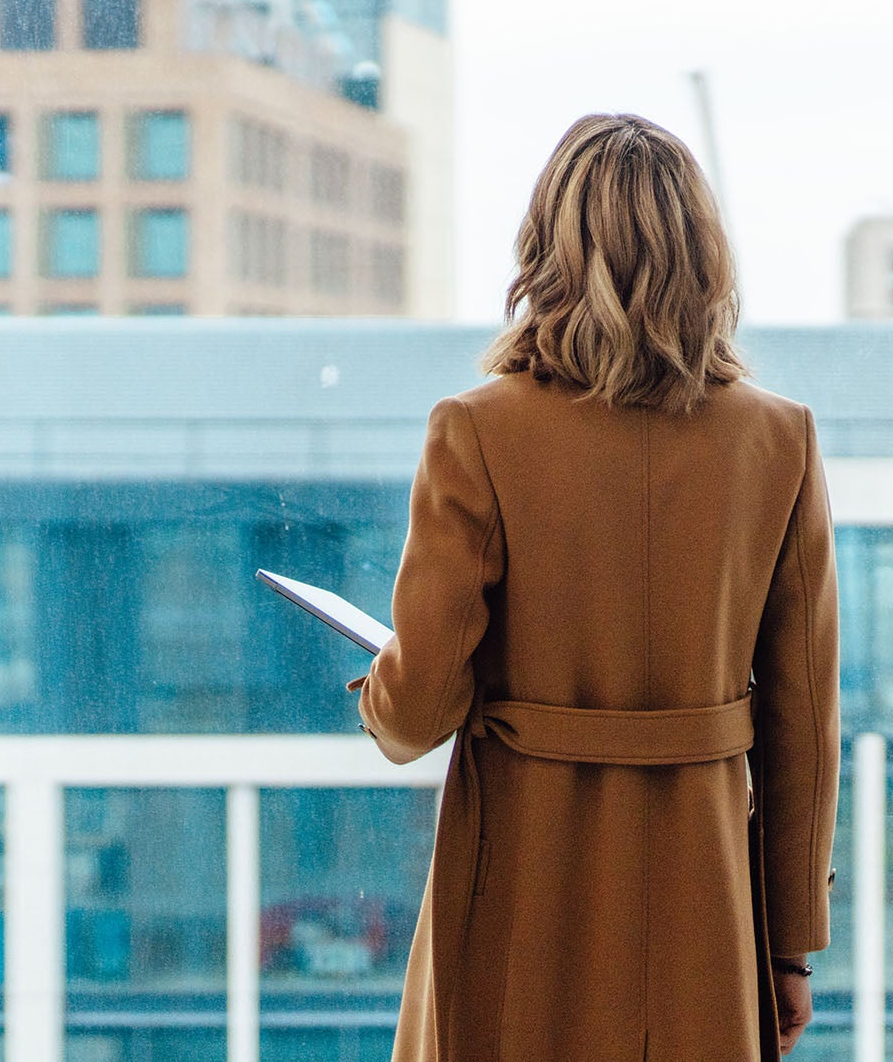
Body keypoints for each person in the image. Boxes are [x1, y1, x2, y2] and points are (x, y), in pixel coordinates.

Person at [352, 112, 840, 1060]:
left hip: (522, 885)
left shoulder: (476, 430)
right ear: (706, 259)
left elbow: (415, 713)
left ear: (544, 250)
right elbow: (803, 726)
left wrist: (378, 689)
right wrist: (789, 949)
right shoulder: (780, 439)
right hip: (708, 896)